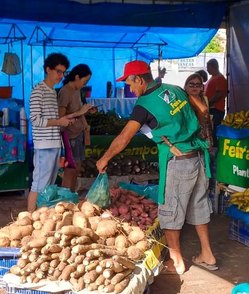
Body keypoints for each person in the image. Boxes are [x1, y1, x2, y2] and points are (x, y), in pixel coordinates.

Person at [96, 60, 217, 274]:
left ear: (139, 79)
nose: (130, 89)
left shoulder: (144, 105)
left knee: (170, 209)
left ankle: (176, 261)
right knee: (199, 205)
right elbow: (202, 109)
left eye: (130, 83)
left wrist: (104, 158)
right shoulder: (175, 89)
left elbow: (124, 137)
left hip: (178, 161)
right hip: (197, 156)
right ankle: (207, 254)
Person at [27, 53, 74, 212]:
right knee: (39, 185)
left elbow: (52, 119)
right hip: (44, 146)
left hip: (54, 144)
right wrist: (59, 122)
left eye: (64, 72)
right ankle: (30, 219)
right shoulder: (37, 91)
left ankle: (41, 218)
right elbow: (35, 120)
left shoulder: (52, 92)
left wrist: (66, 119)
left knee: (49, 186)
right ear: (48, 69)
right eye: (58, 71)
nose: (61, 76)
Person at [58, 64, 95, 192]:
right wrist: (79, 113)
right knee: (70, 170)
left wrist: (86, 111)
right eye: (85, 81)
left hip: (78, 134)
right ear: (77, 77)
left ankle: (71, 196)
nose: (85, 84)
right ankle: (65, 198)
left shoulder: (77, 90)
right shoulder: (64, 92)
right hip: (69, 136)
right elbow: (60, 118)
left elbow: (78, 110)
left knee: (77, 168)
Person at [184, 73, 213, 148]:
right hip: (192, 135)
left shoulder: (204, 99)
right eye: (191, 85)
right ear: (185, 86)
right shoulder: (183, 101)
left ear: (201, 87)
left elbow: (207, 115)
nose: (195, 87)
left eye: (198, 85)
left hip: (206, 133)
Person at [204, 58, 227, 146]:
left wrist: (208, 103)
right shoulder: (213, 77)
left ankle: (216, 149)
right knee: (211, 131)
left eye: (208, 67)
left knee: (214, 131)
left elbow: (219, 93)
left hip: (216, 109)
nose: (207, 69)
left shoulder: (219, 78)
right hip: (212, 109)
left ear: (213, 67)